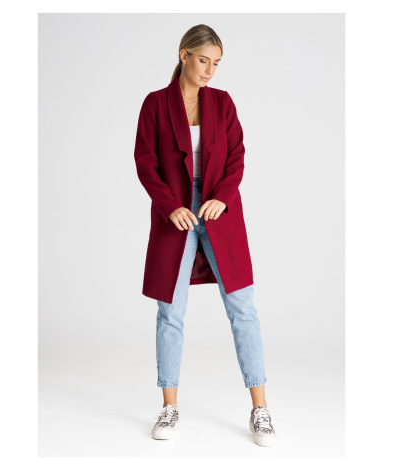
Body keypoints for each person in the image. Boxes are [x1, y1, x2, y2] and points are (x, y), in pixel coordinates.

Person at [134, 24, 277, 447]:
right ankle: (169, 406)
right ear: (183, 55)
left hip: (220, 212)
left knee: (243, 307)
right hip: (174, 214)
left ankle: (260, 409)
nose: (209, 70)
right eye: (203, 60)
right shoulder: (155, 104)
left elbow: (237, 157)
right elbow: (145, 163)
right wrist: (170, 206)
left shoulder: (223, 102)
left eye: (216, 63)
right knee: (170, 311)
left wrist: (222, 198)